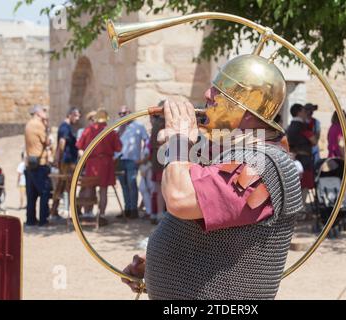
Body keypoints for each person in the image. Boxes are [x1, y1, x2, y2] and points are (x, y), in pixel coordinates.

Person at [121, 53, 303, 299]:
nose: (207, 95)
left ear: (246, 111)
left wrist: (179, 140)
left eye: (219, 92)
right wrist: (155, 262)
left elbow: (179, 199)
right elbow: (219, 237)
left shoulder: (263, 164)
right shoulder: (233, 154)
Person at [76, 109, 122, 222]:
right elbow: (119, 148)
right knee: (103, 190)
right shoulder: (111, 131)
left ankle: (88, 213)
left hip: (92, 163)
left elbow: (79, 145)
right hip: (106, 164)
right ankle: (101, 215)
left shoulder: (89, 129)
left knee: (89, 187)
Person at [115, 106, 149, 219]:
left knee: (132, 184)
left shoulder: (138, 126)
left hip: (132, 159)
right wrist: (120, 129)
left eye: (124, 113)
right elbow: (113, 141)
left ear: (130, 113)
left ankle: (134, 209)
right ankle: (127, 209)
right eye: (120, 113)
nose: (122, 116)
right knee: (123, 185)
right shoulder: (117, 125)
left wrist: (143, 156)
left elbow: (147, 141)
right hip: (120, 159)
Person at [51, 107, 81, 218]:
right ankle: (75, 210)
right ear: (70, 115)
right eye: (76, 116)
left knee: (62, 185)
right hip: (67, 162)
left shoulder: (66, 127)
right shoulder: (65, 127)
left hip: (67, 161)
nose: (77, 119)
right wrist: (59, 159)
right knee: (69, 186)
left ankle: (54, 210)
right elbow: (62, 143)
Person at [24, 105, 51, 227]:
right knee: (44, 192)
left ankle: (31, 220)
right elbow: (46, 141)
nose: (46, 113)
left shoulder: (28, 124)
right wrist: (47, 127)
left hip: (30, 162)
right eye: (44, 111)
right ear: (38, 113)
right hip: (40, 163)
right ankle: (43, 220)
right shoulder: (38, 125)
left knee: (31, 194)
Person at [286, 103, 316, 200]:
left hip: (291, 160)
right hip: (304, 160)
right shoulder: (302, 126)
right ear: (299, 112)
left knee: (294, 187)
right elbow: (314, 141)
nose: (306, 113)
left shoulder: (289, 127)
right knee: (304, 186)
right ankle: (301, 210)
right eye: (303, 111)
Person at [148, 111, 166, 224]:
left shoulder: (156, 124)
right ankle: (160, 214)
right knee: (162, 190)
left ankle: (158, 214)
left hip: (157, 160)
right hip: (162, 161)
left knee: (159, 189)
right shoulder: (163, 124)